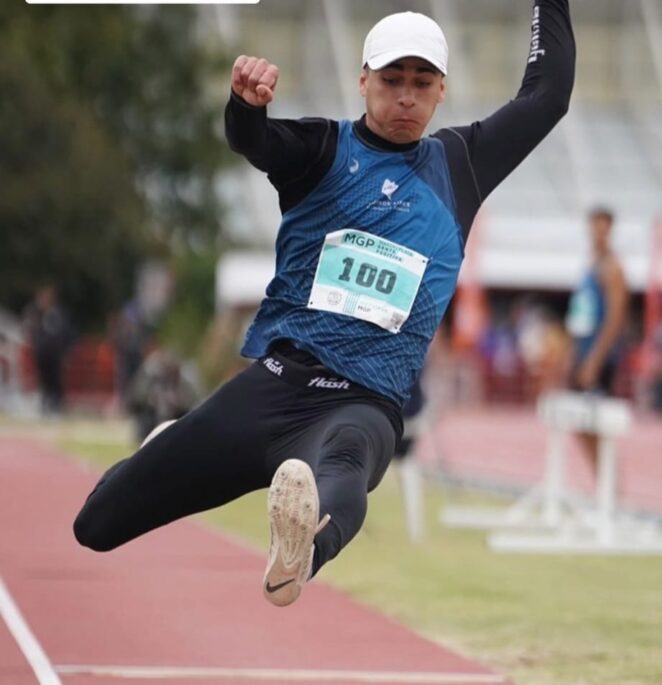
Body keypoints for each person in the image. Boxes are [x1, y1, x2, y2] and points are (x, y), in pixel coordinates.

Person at [74, 2, 576, 607]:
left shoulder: (460, 165)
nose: (406, 98)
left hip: (366, 403)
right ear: (363, 80)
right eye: (392, 81)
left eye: (422, 84)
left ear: (442, 90)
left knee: (341, 470)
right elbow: (254, 140)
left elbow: (546, 97)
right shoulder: (322, 152)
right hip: (277, 386)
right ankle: (166, 448)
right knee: (95, 526)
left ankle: (300, 555)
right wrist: (246, 104)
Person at [565, 207, 628, 472]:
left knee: (598, 426)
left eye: (603, 227)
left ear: (610, 230)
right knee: (579, 424)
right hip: (583, 351)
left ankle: (610, 490)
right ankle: (603, 486)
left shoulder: (611, 268)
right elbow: (581, 314)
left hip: (599, 358)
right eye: (594, 227)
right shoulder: (590, 264)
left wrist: (595, 359)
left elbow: (615, 318)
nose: (597, 233)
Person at [23, 285, 73, 415]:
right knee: (44, 381)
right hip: (42, 355)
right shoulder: (36, 316)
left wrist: (65, 353)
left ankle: (56, 405)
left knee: (55, 381)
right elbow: (31, 334)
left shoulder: (58, 315)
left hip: (55, 356)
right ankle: (46, 404)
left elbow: (65, 335)